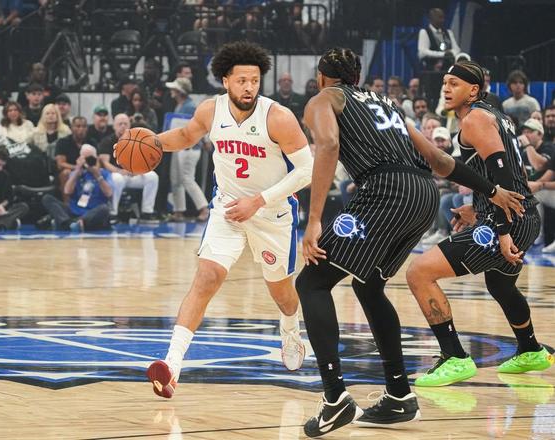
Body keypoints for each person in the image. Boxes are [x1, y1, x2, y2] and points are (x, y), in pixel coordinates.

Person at [296, 49, 526, 436]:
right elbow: (438, 159)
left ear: (322, 77)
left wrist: (315, 219)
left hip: (386, 189)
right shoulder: (386, 104)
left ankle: (335, 399)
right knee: (369, 286)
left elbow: (329, 145)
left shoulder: (325, 98)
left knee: (311, 283)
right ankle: (399, 395)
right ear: (357, 77)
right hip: (424, 194)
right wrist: (491, 189)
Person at [145, 41, 313, 399]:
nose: (249, 87)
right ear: (225, 81)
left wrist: (259, 201)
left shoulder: (278, 117)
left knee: (282, 295)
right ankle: (172, 364)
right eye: (242, 81)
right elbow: (186, 136)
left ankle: (290, 327)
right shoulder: (211, 110)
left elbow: (306, 170)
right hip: (227, 208)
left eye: (254, 80)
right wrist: (152, 143)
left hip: (272, 213)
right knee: (207, 277)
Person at [406, 61, 553, 388]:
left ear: (473, 90)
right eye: (445, 82)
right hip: (523, 215)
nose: (446, 88)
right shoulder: (494, 116)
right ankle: (530, 349)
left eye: (454, 83)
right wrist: (477, 208)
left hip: (509, 220)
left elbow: (503, 177)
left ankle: (454, 356)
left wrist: (502, 231)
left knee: (419, 272)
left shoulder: (475, 119)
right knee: (500, 285)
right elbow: (511, 175)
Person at [99, 113, 159, 223]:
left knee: (152, 177)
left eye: (125, 124)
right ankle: (113, 213)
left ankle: (147, 212)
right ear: (114, 126)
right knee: (117, 179)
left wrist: (138, 170)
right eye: (120, 124)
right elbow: (104, 163)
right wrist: (119, 171)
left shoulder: (136, 141)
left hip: (131, 174)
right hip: (114, 174)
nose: (123, 126)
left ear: (130, 126)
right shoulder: (107, 141)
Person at [165, 77, 209, 222]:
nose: (172, 91)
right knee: (176, 180)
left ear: (180, 91)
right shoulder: (180, 105)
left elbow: (199, 125)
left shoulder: (189, 106)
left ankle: (204, 209)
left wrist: (204, 141)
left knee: (187, 179)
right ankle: (179, 211)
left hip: (190, 149)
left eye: (174, 89)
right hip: (179, 147)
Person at [41, 144, 113, 231]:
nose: (87, 161)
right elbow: (67, 191)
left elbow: (109, 194)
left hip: (93, 211)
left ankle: (74, 223)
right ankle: (69, 223)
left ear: (96, 159)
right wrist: (77, 172)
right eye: (85, 159)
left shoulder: (105, 174)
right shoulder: (76, 173)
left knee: (104, 209)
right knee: (47, 198)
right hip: (74, 210)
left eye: (90, 158)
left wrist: (98, 176)